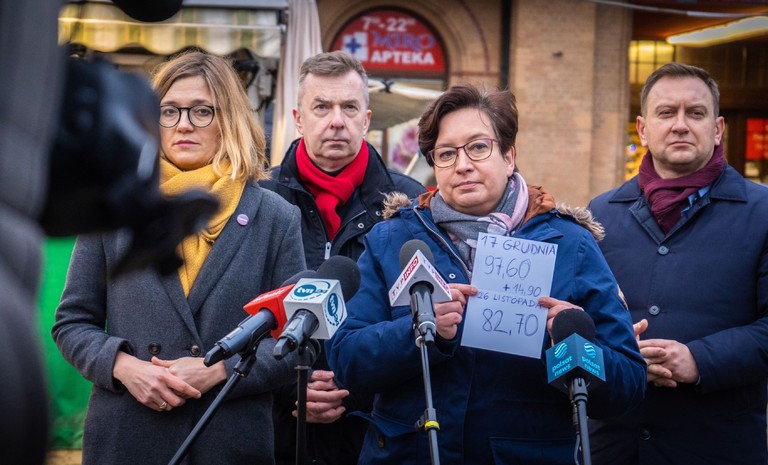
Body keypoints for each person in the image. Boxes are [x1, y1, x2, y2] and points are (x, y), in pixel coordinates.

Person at [326, 83, 646, 464]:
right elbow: (345, 360)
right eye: (446, 154)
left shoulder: (570, 244)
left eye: (478, 147)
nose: (462, 165)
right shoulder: (393, 238)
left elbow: (628, 384)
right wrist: (419, 332)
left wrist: (568, 346)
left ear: (509, 156)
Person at [52, 50, 311, 465]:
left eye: (202, 111)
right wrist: (124, 367)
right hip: (128, 440)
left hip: (227, 443)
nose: (183, 124)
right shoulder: (112, 207)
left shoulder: (276, 217)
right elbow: (72, 322)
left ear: (229, 119)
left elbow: (299, 341)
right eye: (169, 111)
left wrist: (217, 370)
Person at [588, 62, 768, 464]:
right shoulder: (600, 214)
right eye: (667, 112)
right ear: (643, 129)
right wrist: (618, 354)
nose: (681, 125)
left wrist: (699, 360)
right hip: (616, 447)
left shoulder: (762, 213)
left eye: (696, 113)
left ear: (717, 129)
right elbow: (577, 318)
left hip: (718, 447)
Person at [259, 50, 426, 465]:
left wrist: (353, 389)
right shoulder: (260, 199)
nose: (337, 120)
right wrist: (291, 386)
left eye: (349, 107)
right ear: (298, 118)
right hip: (273, 430)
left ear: (366, 120)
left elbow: (414, 318)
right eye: (322, 107)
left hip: (372, 433)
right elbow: (239, 304)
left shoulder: (410, 205)